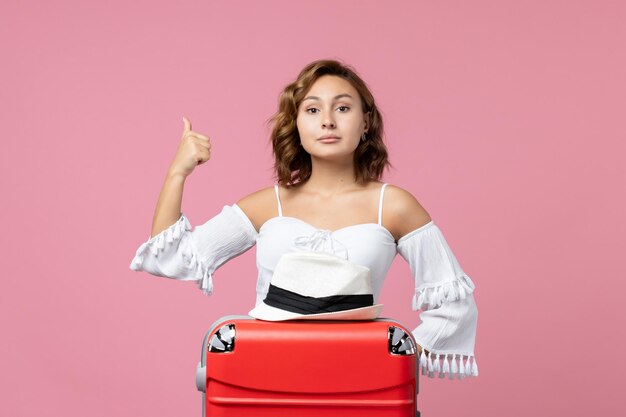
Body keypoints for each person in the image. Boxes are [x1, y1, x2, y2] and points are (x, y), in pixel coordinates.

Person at [130, 59, 478, 379]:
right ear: (296, 123)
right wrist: (178, 172)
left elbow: (456, 305)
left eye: (342, 107)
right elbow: (171, 257)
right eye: (312, 109)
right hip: (267, 374)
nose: (328, 120)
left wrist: (392, 358)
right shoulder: (268, 205)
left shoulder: (395, 205)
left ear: (366, 122)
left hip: (358, 380)